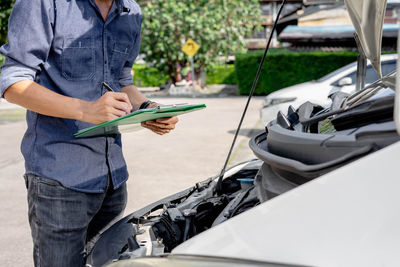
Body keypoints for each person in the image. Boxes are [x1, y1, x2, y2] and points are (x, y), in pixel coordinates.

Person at [0, 0, 178, 266]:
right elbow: (13, 82)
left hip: (113, 180)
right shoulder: (43, 3)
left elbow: (122, 79)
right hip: (59, 181)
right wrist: (85, 110)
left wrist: (148, 109)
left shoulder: (131, 11)